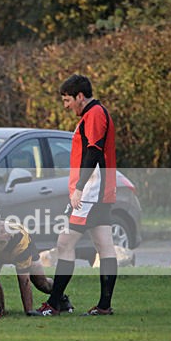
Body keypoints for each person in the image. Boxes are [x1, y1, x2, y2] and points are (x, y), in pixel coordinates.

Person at [35, 74, 118, 316]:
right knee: (105, 246)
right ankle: (104, 306)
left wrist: (80, 187)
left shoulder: (94, 115)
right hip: (100, 190)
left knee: (64, 243)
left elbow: (93, 152)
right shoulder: (96, 113)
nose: (66, 105)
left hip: (92, 191)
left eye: (67, 100)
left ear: (80, 96)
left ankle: (54, 304)